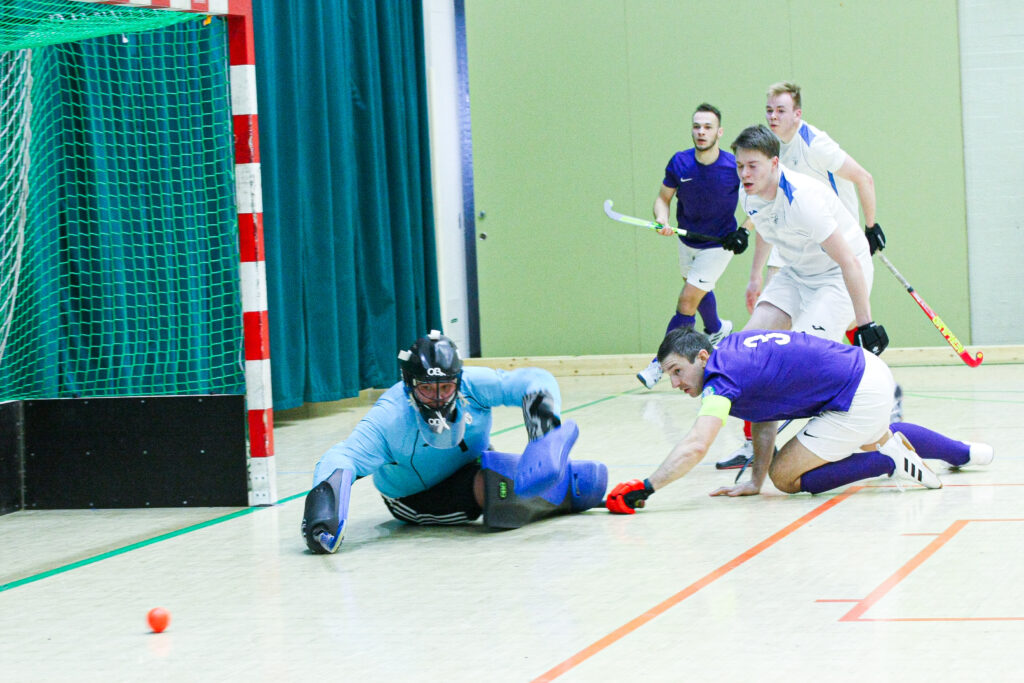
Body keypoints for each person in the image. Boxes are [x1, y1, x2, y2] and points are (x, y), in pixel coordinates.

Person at [606, 328, 993, 512]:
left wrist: (646, 487)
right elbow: (764, 416)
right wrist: (754, 481)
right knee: (869, 433)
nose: (675, 383)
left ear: (701, 358)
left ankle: (887, 458)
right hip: (866, 371)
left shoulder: (721, 380)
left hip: (858, 395)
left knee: (785, 477)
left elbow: (696, 444)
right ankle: (966, 453)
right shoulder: (732, 351)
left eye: (677, 371)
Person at [717, 83, 896, 470]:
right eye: (740, 165)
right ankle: (758, 462)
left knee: (797, 360)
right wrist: (755, 278)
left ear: (774, 164)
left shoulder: (803, 199)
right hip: (797, 273)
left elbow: (849, 261)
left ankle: (877, 434)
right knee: (747, 349)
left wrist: (865, 322)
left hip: (837, 274)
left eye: (752, 166)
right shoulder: (749, 193)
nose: (744, 173)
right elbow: (766, 232)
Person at [301, 330, 608, 554]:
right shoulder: (390, 416)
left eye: (445, 388)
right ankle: (565, 494)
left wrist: (543, 434)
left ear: (458, 381)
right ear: (409, 385)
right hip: (415, 497)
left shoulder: (473, 383)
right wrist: (322, 517)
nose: (437, 398)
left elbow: (535, 380)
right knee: (495, 484)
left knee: (497, 473)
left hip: (474, 462)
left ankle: (561, 487)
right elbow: (343, 457)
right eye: (426, 389)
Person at [636, 103, 750, 390]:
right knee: (698, 290)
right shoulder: (680, 162)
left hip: (718, 246)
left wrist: (743, 231)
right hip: (687, 241)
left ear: (719, 132)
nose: (701, 132)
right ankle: (717, 329)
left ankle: (659, 364)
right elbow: (663, 199)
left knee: (687, 301)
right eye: (697, 126)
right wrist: (662, 219)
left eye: (708, 127)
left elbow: (761, 201)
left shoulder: (733, 167)